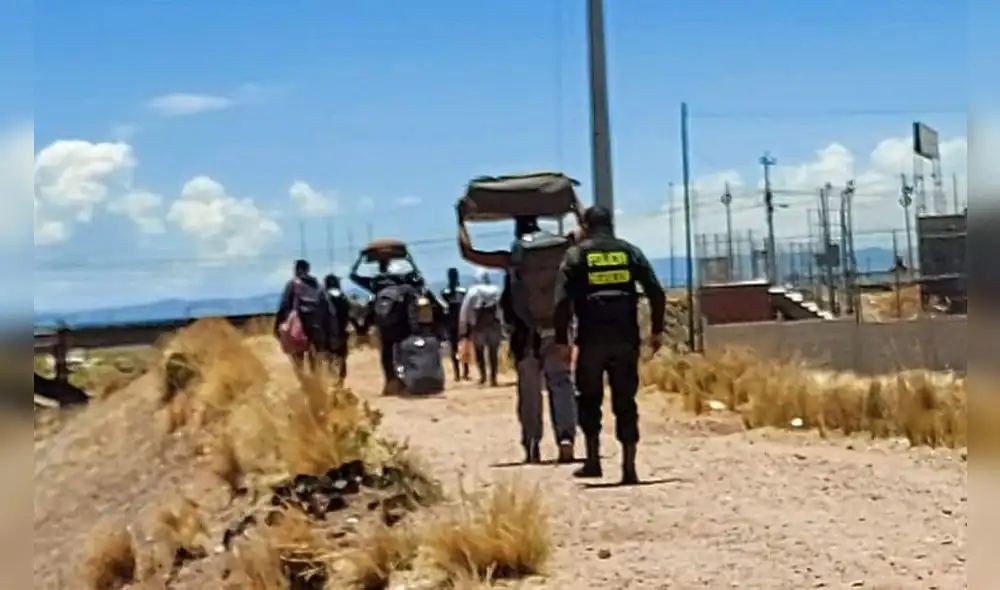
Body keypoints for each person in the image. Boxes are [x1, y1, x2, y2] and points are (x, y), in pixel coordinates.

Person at [458, 207, 583, 464]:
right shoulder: (563, 249)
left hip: (525, 335)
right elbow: (586, 231)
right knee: (561, 383)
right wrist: (575, 206)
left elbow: (468, 253)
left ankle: (532, 444)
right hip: (557, 329)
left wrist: (460, 221)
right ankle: (566, 437)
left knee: (529, 391)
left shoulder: (511, 258)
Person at [553, 205, 666, 485]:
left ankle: (593, 461)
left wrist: (561, 340)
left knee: (588, 399)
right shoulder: (629, 252)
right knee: (625, 401)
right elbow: (656, 292)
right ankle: (629, 468)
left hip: (591, 340)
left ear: (587, 227)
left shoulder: (576, 255)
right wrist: (657, 330)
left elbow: (561, 302)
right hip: (625, 339)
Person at [275, 259, 330, 371]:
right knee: (314, 358)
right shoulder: (318, 286)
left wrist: (277, 325)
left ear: (297, 269)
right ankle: (316, 382)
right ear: (308, 270)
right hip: (316, 325)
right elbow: (326, 306)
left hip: (299, 326)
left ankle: (304, 383)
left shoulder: (293, 284)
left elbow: (284, 305)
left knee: (297, 356)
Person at [458, 269, 503, 387]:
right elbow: (501, 309)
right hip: (494, 325)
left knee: (479, 352)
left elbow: (465, 310)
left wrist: (463, 328)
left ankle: (483, 376)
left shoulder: (473, 291)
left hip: (478, 326)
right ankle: (493, 378)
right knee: (493, 353)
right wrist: (503, 325)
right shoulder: (497, 290)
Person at [440, 268, 470, 381]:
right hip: (460, 322)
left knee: (456, 348)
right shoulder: (462, 292)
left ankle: (459, 372)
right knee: (462, 346)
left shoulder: (445, 293)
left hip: (452, 323)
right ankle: (463, 371)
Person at [323, 273, 352, 381]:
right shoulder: (343, 296)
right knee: (342, 357)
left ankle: (331, 382)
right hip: (342, 331)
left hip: (327, 333)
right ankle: (340, 382)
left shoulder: (324, 296)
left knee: (329, 358)